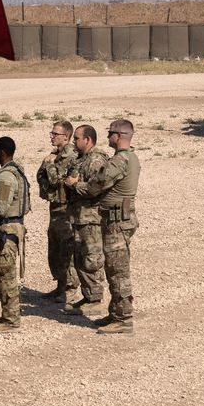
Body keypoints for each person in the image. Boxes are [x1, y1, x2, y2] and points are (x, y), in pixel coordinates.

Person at [68, 119, 141, 334]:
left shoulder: (119, 161)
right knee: (113, 269)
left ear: (118, 136)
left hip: (117, 222)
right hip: (119, 220)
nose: (108, 137)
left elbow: (95, 186)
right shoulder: (131, 158)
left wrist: (76, 185)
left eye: (110, 133)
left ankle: (124, 319)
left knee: (118, 271)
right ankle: (116, 313)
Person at [0, 136, 30, 333]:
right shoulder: (17, 171)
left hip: (6, 231)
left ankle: (11, 320)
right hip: (12, 228)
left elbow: (0, 208)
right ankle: (8, 315)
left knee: (5, 276)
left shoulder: (5, 177)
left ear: (2, 153)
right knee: (6, 274)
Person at [61, 125, 107, 316]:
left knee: (91, 257)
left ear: (87, 140)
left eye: (77, 138)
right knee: (80, 257)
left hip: (91, 218)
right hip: (79, 216)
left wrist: (74, 184)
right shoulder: (82, 160)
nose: (74, 142)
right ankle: (88, 296)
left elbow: (97, 188)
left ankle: (95, 298)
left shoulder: (96, 160)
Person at [35, 120, 77, 306]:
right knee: (55, 247)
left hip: (66, 208)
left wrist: (49, 164)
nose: (51, 136)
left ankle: (70, 288)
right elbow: (40, 176)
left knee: (67, 248)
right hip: (55, 206)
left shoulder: (70, 155)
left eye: (55, 134)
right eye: (51, 133)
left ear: (66, 137)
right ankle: (60, 285)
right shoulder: (55, 155)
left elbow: (54, 179)